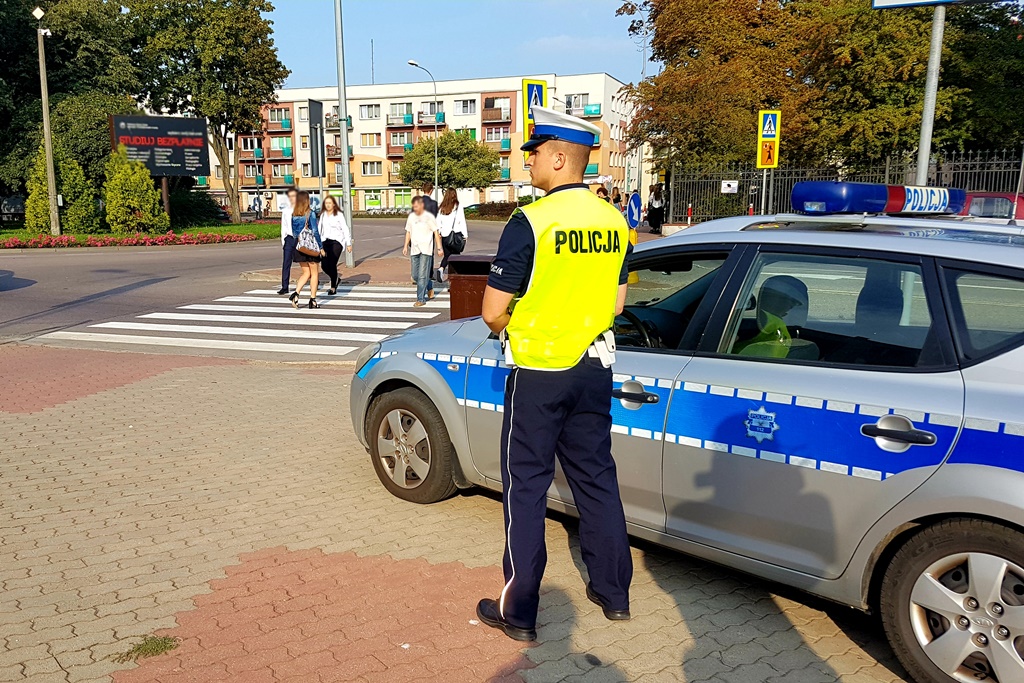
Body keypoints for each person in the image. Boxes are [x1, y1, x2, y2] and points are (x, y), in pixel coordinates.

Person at [476, 105, 633, 642]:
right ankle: (614, 594)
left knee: (526, 486)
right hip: (594, 368)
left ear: (561, 159)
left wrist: (524, 322)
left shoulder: (531, 222)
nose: (530, 161)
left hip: (540, 370)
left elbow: (492, 312)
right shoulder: (615, 221)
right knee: (596, 477)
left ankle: (519, 611)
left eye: (536, 152)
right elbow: (616, 304)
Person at [287, 191, 326, 309]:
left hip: (300, 247)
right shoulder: (310, 213)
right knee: (314, 273)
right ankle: (312, 300)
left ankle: (296, 293)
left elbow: (294, 233)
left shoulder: (294, 214)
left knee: (306, 272)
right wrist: (321, 247)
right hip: (310, 247)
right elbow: (315, 231)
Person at [402, 196, 443, 307]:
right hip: (414, 249)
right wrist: (405, 246)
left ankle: (420, 299)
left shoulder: (429, 217)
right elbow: (408, 232)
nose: (415, 208)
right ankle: (429, 285)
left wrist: (439, 247)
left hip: (426, 249)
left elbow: (436, 232)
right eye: (413, 206)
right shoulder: (411, 217)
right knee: (415, 276)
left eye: (416, 206)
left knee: (422, 276)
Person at [318, 195, 352, 295]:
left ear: (333, 204)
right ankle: (336, 278)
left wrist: (348, 243)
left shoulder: (339, 215)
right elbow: (319, 229)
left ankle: (333, 287)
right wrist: (318, 243)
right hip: (325, 241)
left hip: (337, 242)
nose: (328, 205)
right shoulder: (323, 215)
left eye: (330, 203)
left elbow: (345, 229)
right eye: (326, 203)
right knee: (324, 265)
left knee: (332, 263)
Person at [436, 188, 468, 281]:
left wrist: (440, 232)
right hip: (456, 234)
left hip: (445, 236)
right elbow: (462, 221)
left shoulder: (442, 207)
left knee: (447, 255)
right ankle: (455, 276)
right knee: (456, 256)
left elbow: (438, 222)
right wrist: (465, 234)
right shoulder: (458, 206)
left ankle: (441, 268)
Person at [277, 188, 298, 295]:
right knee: (286, 263)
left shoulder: (302, 209)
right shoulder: (286, 211)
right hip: (289, 239)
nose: (292, 198)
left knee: (306, 261)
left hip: (300, 238)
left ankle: (314, 280)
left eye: (294, 196)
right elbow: (284, 226)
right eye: (290, 196)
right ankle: (285, 286)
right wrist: (284, 240)